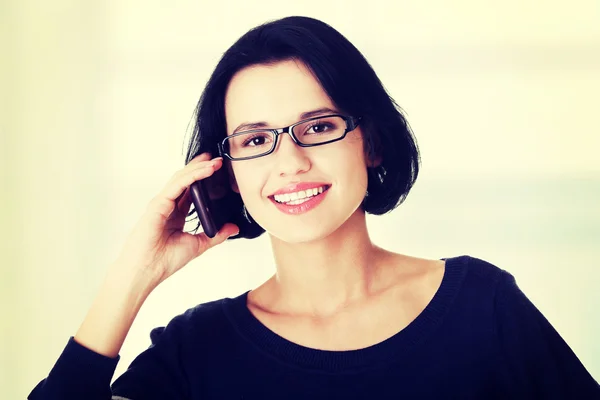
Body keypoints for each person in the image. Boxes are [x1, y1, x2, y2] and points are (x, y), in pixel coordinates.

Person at [28, 16, 599, 400]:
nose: (290, 161)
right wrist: (133, 274)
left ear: (369, 140)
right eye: (255, 140)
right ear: (223, 170)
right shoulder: (196, 351)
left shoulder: (484, 304)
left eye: (318, 127)